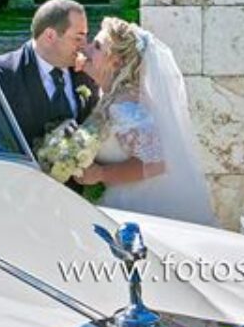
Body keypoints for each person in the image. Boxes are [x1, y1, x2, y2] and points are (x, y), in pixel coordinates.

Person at [76, 17, 217, 226]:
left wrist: (99, 174)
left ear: (116, 62)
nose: (86, 49)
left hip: (139, 209)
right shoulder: (109, 95)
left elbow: (154, 164)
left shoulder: (124, 108)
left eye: (96, 46)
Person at [0, 0, 99, 149]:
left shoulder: (84, 74)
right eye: (78, 38)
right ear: (50, 36)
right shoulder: (4, 73)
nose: (85, 46)